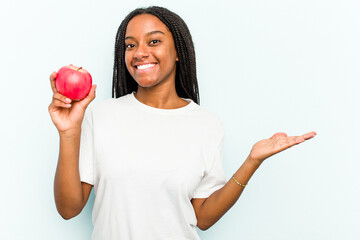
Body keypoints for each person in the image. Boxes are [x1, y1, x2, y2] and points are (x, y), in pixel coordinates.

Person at [48, 6, 316, 240]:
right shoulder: (100, 115)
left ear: (178, 51)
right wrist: (69, 132)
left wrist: (252, 162)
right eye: (131, 45)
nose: (140, 52)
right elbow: (69, 209)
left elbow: (203, 217)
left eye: (153, 42)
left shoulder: (207, 124)